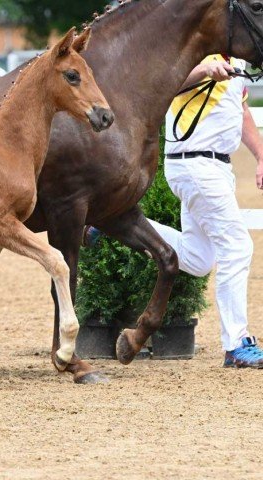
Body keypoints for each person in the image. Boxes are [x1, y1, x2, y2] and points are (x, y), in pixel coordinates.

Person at [86, 55, 263, 368]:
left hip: (217, 166)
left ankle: (114, 221)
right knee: (238, 247)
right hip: (196, 164)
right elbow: (162, 87)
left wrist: (261, 155)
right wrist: (203, 71)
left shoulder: (235, 60)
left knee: (197, 259)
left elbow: (242, 108)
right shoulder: (195, 53)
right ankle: (236, 344)